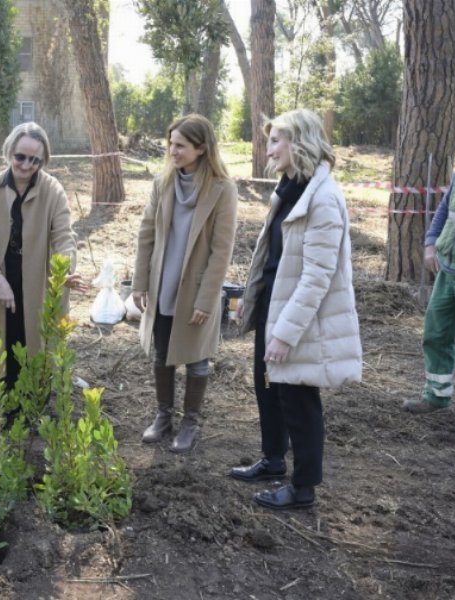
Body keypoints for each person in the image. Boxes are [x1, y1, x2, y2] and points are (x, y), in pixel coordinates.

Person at [229, 109, 362, 510]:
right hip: (275, 302)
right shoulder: (289, 188)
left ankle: (303, 488)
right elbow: (270, 254)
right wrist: (250, 301)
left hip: (303, 316)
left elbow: (318, 275)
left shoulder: (323, 197)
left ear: (299, 141)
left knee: (299, 399)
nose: (267, 149)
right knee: (268, 387)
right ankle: (272, 461)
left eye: (275, 141)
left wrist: (286, 333)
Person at [132, 113, 238, 453]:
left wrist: (207, 300)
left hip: (196, 287)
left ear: (202, 148)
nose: (172, 151)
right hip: (164, 281)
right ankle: (164, 416)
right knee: (161, 352)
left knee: (196, 358)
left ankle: (190, 421)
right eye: (171, 144)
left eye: (180, 145)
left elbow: (222, 250)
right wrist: (140, 281)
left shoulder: (222, 190)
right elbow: (145, 235)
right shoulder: (162, 183)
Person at [0, 122, 87, 394]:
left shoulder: (53, 190)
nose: (26, 165)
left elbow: (64, 236)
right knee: (7, 339)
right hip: (2, 276)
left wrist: (64, 270)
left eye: (35, 160)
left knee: (38, 339)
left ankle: (37, 399)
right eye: (20, 157)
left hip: (40, 278)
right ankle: (7, 402)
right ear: (10, 151)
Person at [403, 162, 455, 437]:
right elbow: (444, 210)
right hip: (447, 268)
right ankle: (437, 395)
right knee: (435, 334)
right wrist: (430, 243)